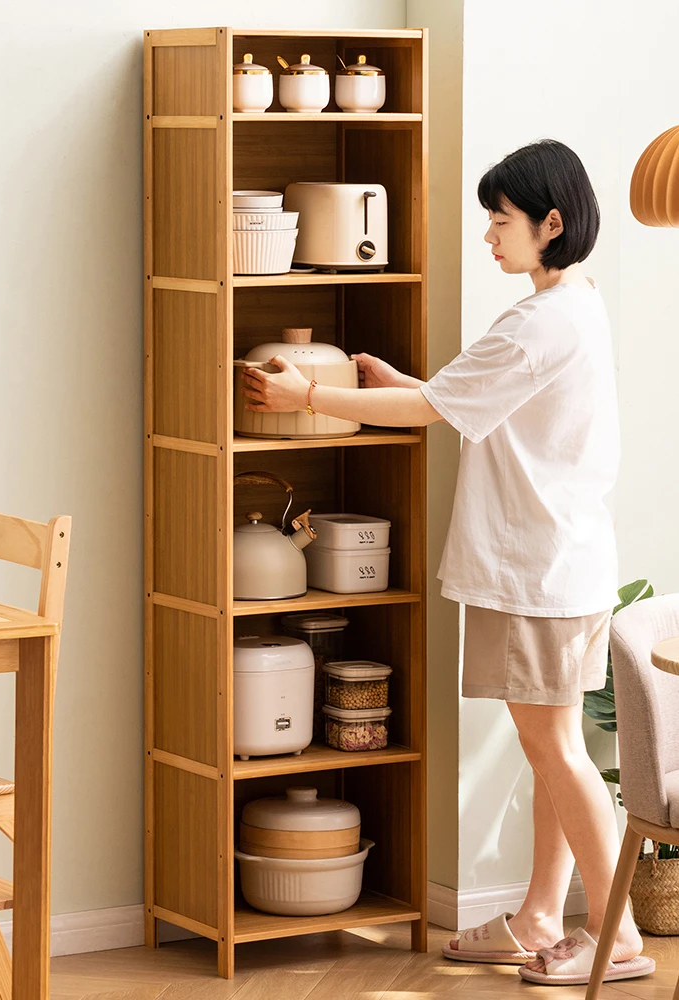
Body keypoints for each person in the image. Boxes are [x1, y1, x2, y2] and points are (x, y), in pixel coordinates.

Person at [241, 139, 655, 987]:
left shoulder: (538, 322)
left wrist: (307, 395)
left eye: (500, 221)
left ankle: (617, 938)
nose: (489, 237)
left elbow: (434, 410)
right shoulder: (575, 304)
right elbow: (485, 399)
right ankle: (543, 914)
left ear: (552, 223)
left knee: (553, 749)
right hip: (566, 563)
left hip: (533, 572)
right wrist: (413, 382)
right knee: (554, 747)